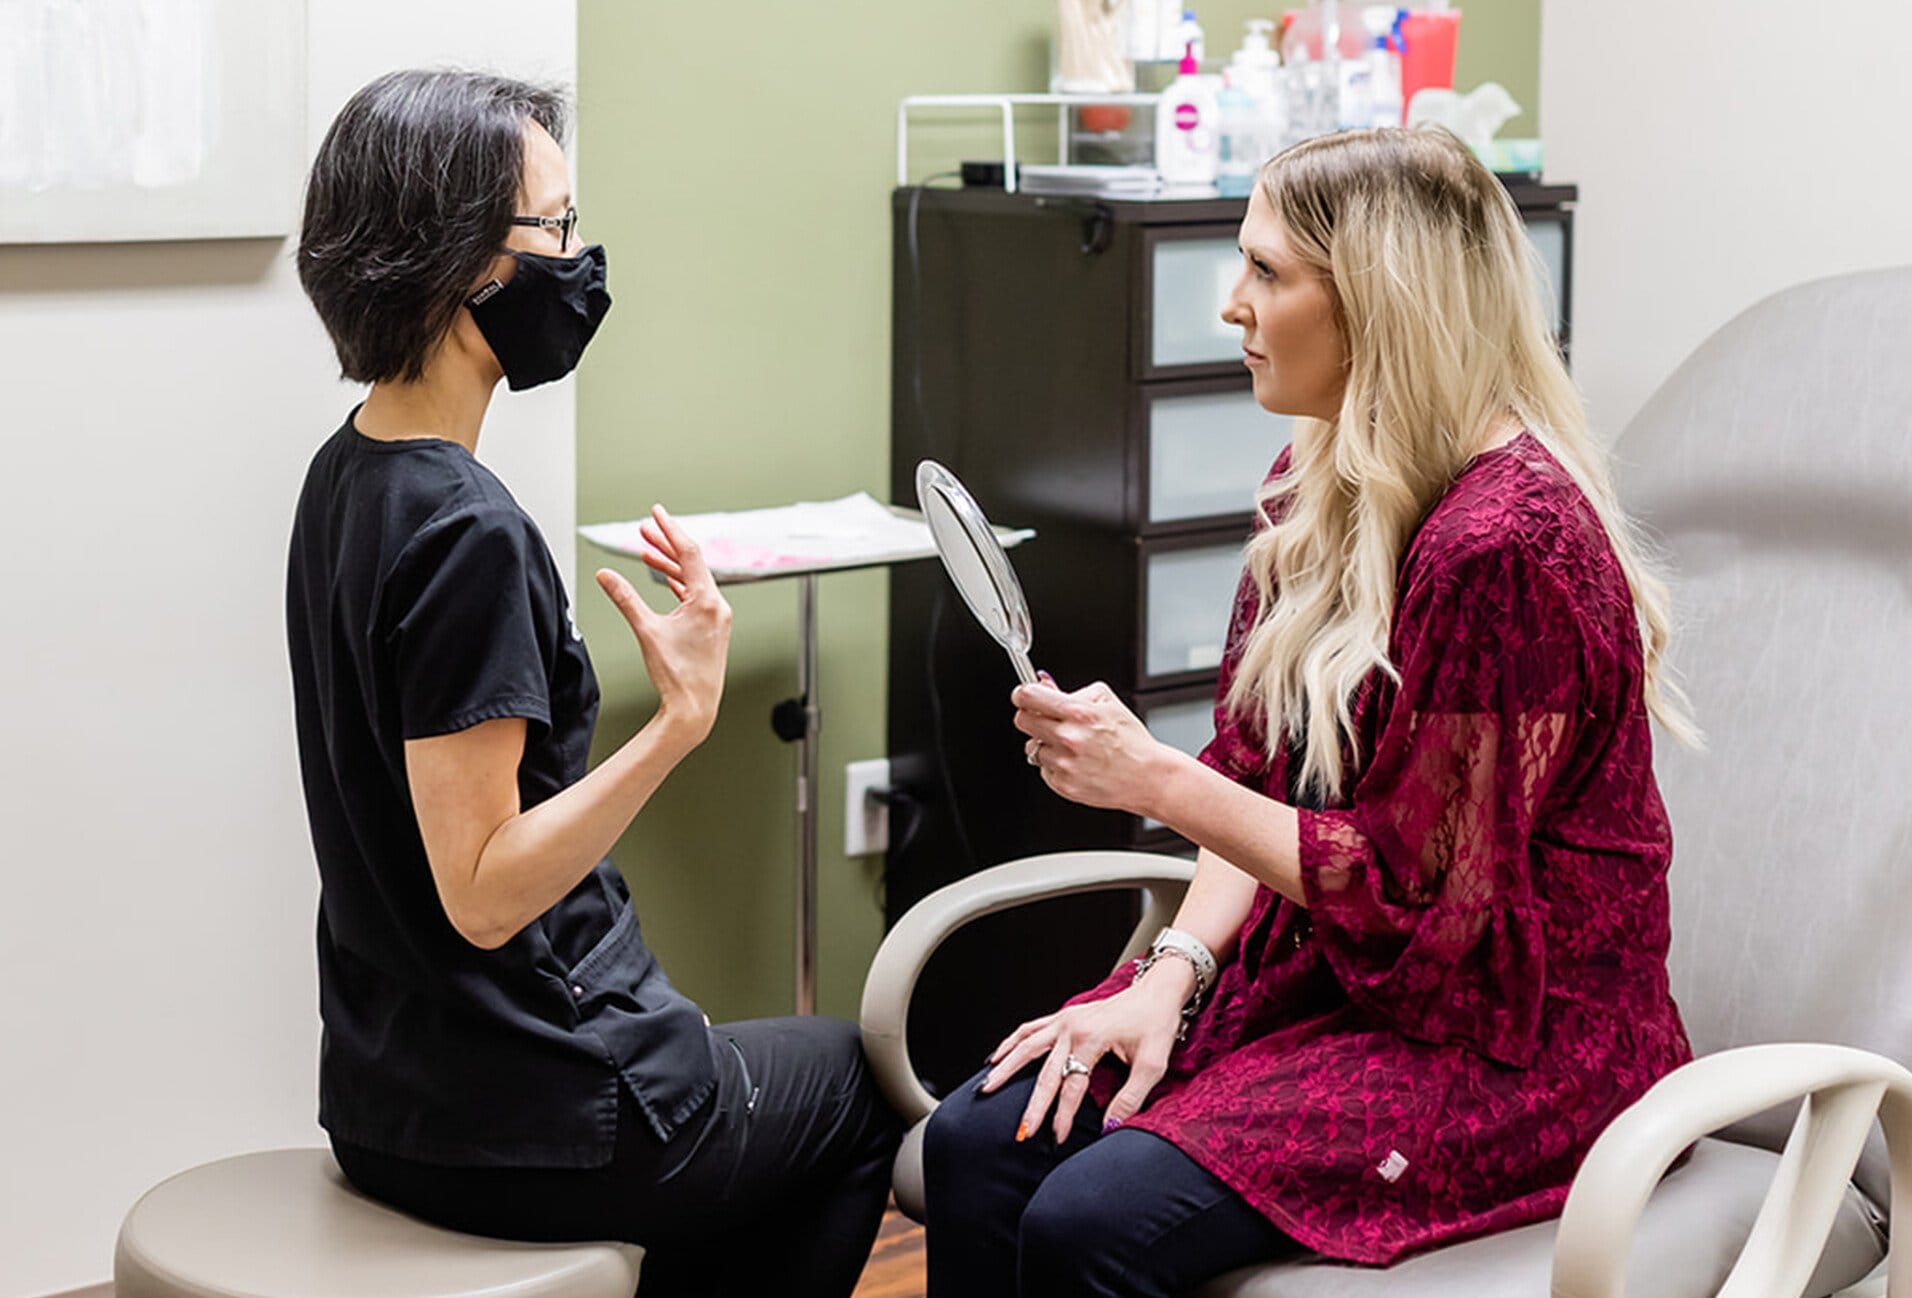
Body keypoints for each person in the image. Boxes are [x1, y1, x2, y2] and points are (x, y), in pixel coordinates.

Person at [921, 126, 1699, 1297]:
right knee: (982, 1139)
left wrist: (1151, 777)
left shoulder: (1507, 546)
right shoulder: (1313, 489)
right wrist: (1169, 971)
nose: (1230, 303)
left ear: (1380, 301)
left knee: (1092, 1219)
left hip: (1506, 1039)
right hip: (1332, 978)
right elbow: (1255, 777)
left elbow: (1423, 903)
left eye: (1266, 270)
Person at [286, 70, 898, 1297]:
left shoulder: (345, 473)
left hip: (388, 1096)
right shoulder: (465, 531)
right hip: (534, 1115)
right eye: (558, 227)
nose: (579, 259)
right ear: (467, 263)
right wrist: (678, 720)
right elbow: (483, 892)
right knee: (858, 1082)